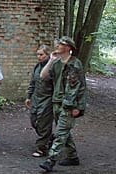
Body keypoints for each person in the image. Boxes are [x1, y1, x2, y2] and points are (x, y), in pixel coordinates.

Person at [38, 36, 88, 172]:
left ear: (68, 47)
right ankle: (72, 157)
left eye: (61, 44)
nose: (58, 45)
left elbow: (79, 88)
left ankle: (50, 160)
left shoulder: (75, 64)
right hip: (56, 102)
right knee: (64, 131)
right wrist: (51, 60)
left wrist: (78, 107)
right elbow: (43, 76)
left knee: (60, 132)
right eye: (58, 43)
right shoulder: (56, 63)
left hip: (69, 104)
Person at [25, 45, 54, 157]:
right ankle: (49, 137)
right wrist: (29, 96)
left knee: (44, 123)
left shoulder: (52, 68)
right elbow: (33, 82)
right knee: (34, 121)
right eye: (38, 54)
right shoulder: (37, 67)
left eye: (41, 54)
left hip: (48, 99)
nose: (39, 57)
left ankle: (41, 148)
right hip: (36, 98)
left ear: (47, 55)